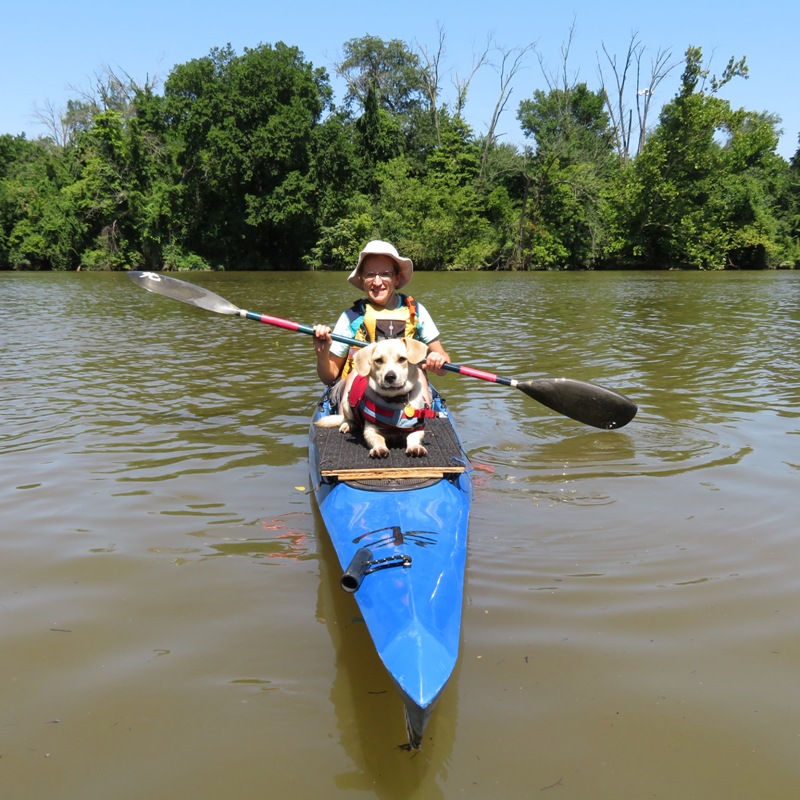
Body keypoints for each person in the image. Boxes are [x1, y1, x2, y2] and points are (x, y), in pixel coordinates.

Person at [312, 240, 450, 394]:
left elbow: (444, 365)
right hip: (359, 394)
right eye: (370, 275)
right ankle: (348, 417)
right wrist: (322, 355)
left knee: (420, 377)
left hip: (406, 389)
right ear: (363, 280)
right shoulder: (351, 317)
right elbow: (329, 378)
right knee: (354, 376)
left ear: (397, 278)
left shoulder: (416, 312)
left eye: (385, 274)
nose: (377, 282)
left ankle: (422, 416)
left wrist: (438, 362)